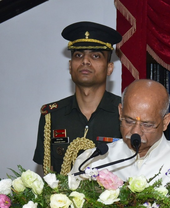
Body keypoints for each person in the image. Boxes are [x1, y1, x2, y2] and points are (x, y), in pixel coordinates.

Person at [71, 79, 170, 183]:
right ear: (120, 112)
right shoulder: (92, 162)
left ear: (165, 122)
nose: (135, 132)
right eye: (129, 121)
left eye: (147, 124)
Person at [33, 21, 123, 175]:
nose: (85, 61)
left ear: (109, 68)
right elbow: (48, 175)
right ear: (70, 66)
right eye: (78, 55)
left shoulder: (126, 114)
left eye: (95, 56)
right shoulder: (52, 116)